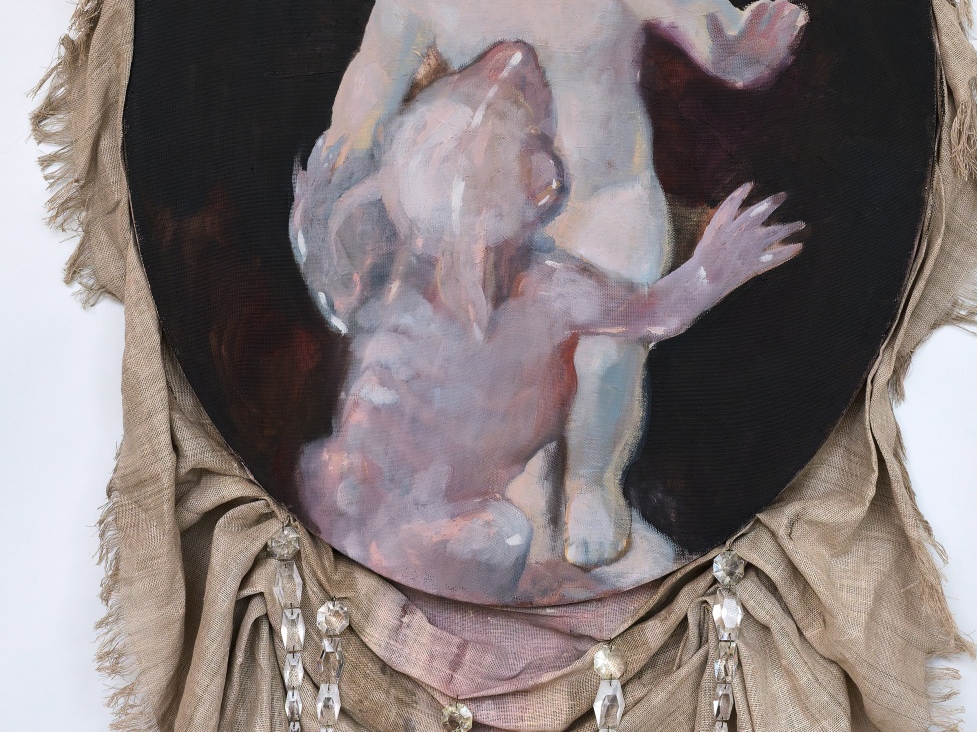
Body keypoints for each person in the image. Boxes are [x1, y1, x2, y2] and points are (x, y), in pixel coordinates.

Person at [306, 0, 806, 570]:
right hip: (484, 218)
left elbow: (696, 16)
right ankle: (521, 472)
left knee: (606, 356)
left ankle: (591, 481)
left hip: (603, 200)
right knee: (495, 365)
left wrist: (741, 49)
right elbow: (376, 68)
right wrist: (355, 133)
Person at [295, 41, 802, 605]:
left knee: (495, 531)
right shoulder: (503, 297)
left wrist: (712, 268)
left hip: (409, 516)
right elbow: (660, 313)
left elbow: (653, 313)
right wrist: (712, 267)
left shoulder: (497, 285)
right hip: (400, 527)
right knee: (498, 535)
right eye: (530, 139)